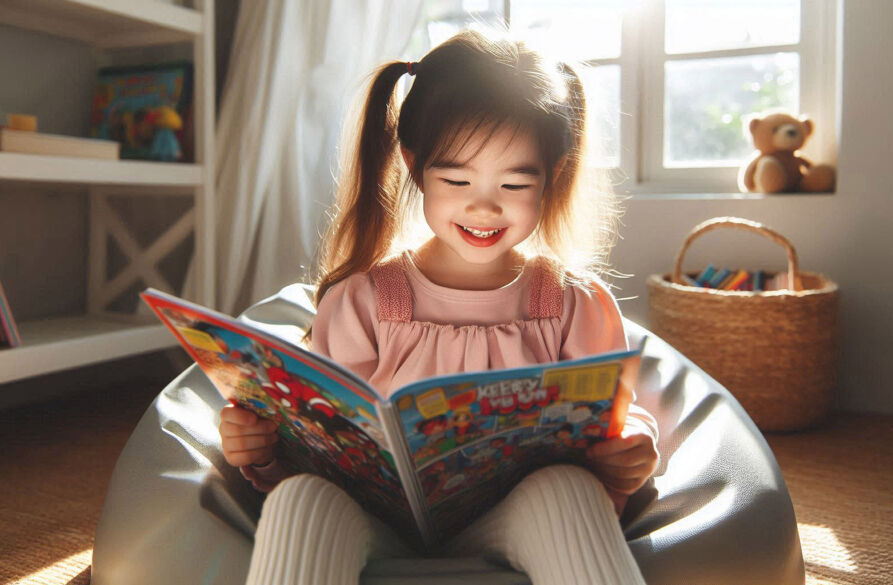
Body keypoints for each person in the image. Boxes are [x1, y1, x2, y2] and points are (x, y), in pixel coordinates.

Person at [218, 29, 660, 585]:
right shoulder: (361, 300)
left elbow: (617, 414)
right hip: (375, 522)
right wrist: (260, 448)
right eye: (456, 178)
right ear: (413, 163)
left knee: (569, 491)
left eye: (515, 184)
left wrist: (634, 445)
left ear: (552, 175)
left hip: (513, 521)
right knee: (300, 499)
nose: (485, 205)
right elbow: (320, 438)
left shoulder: (574, 302)